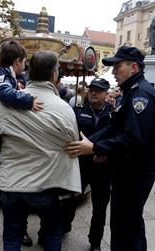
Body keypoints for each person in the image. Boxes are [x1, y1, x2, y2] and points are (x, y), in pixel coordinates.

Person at [64, 45, 155, 251]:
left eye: (118, 66)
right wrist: (93, 143)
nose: (114, 72)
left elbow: (133, 139)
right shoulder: (130, 93)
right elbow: (114, 127)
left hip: (135, 172)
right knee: (121, 223)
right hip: (125, 169)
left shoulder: (140, 96)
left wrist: (96, 148)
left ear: (133, 67)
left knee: (128, 224)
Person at [0, 50, 81, 251]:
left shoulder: (7, 103)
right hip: (47, 184)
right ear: (54, 74)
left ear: (28, 71)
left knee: (11, 236)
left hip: (12, 185)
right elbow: (73, 144)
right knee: (52, 232)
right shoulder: (64, 108)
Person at [0, 41, 43, 246]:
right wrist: (28, 101)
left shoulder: (9, 75)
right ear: (17, 61)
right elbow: (4, 93)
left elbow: (9, 89)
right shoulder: (3, 73)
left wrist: (19, 87)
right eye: (24, 62)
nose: (25, 66)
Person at [63, 78, 112, 251]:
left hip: (103, 167)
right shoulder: (78, 112)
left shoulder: (114, 115)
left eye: (98, 90)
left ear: (106, 94)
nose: (93, 93)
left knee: (100, 208)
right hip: (81, 165)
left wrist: (102, 152)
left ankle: (95, 242)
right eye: (91, 90)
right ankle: (64, 227)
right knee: (70, 199)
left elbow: (116, 140)